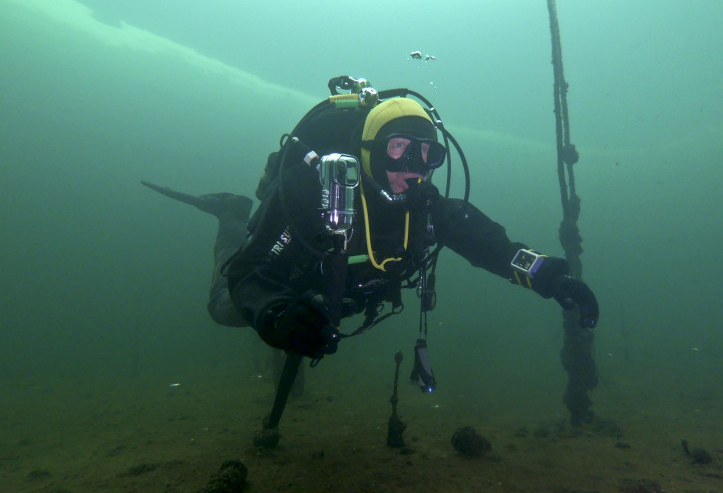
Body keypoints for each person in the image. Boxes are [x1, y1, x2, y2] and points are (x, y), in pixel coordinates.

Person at [143, 79, 599, 426]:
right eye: (398, 148)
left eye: (426, 155)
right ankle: (232, 214)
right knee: (223, 308)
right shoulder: (308, 192)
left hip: (341, 299)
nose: (412, 168)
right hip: (291, 285)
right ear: (368, 150)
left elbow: (493, 247)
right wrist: (277, 315)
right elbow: (250, 274)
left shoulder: (426, 207)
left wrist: (549, 276)